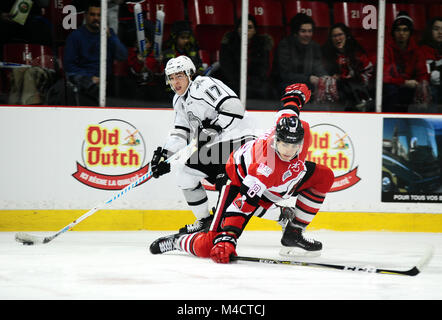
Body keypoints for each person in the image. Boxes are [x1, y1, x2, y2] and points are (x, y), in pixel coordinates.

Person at [149, 83, 335, 262]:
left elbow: (288, 110)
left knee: (324, 176)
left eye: (294, 145)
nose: (288, 150)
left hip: (277, 183)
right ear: (276, 140)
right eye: (284, 144)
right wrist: (228, 238)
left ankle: (293, 233)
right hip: (238, 182)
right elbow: (243, 205)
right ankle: (177, 241)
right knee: (208, 246)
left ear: (302, 142)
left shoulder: (301, 131)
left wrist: (295, 97)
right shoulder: (263, 167)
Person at [149, 55, 256, 234]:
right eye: (172, 77)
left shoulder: (202, 85)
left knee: (235, 189)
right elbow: (181, 132)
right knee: (186, 175)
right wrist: (165, 155)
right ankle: (205, 221)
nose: (175, 82)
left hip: (239, 140)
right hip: (218, 148)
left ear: (190, 74)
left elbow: (235, 108)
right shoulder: (179, 100)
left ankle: (283, 216)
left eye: (179, 76)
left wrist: (214, 129)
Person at [63, 0, 128, 105]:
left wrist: (110, 38)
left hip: (105, 80)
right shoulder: (75, 36)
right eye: (92, 14)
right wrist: (91, 78)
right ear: (86, 16)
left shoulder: (109, 34)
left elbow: (123, 56)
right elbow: (69, 66)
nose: (96, 18)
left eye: (99, 15)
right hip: (83, 79)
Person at [218, 14, 273, 99]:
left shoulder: (262, 45)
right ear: (237, 29)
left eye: (249, 27)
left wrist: (254, 82)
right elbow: (227, 68)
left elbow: (264, 68)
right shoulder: (229, 44)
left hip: (256, 84)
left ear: (255, 30)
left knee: (265, 90)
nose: (246, 30)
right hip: (233, 83)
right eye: (242, 27)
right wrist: (239, 82)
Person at [321, 23, 374, 111]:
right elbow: (324, 74)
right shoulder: (326, 53)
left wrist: (355, 78)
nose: (338, 38)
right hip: (337, 91)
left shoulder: (357, 52)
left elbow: (368, 71)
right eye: (334, 36)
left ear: (346, 35)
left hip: (358, 88)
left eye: (340, 35)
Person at [273, 13, 327, 99]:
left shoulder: (314, 46)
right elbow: (284, 74)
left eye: (310, 31)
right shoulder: (285, 45)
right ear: (295, 33)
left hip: (307, 85)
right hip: (286, 85)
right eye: (303, 31)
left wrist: (324, 77)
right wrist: (308, 78)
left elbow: (318, 67)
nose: (308, 34)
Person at [383, 11, 428, 113]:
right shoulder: (386, 49)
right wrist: (404, 82)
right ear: (393, 32)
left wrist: (422, 86)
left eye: (405, 30)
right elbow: (384, 76)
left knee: (425, 90)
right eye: (398, 30)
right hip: (393, 89)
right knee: (390, 89)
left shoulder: (417, 51)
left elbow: (423, 74)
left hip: (411, 89)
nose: (401, 33)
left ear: (410, 32)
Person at [127, 20, 167, 101]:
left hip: (153, 89)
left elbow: (160, 74)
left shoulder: (155, 55)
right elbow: (132, 72)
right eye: (139, 42)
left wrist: (159, 62)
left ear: (151, 44)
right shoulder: (132, 54)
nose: (142, 45)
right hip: (137, 88)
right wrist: (138, 62)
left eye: (146, 42)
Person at [419, 16, 442, 112]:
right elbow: (423, 76)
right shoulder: (421, 50)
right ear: (430, 31)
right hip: (430, 90)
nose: (440, 32)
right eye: (436, 29)